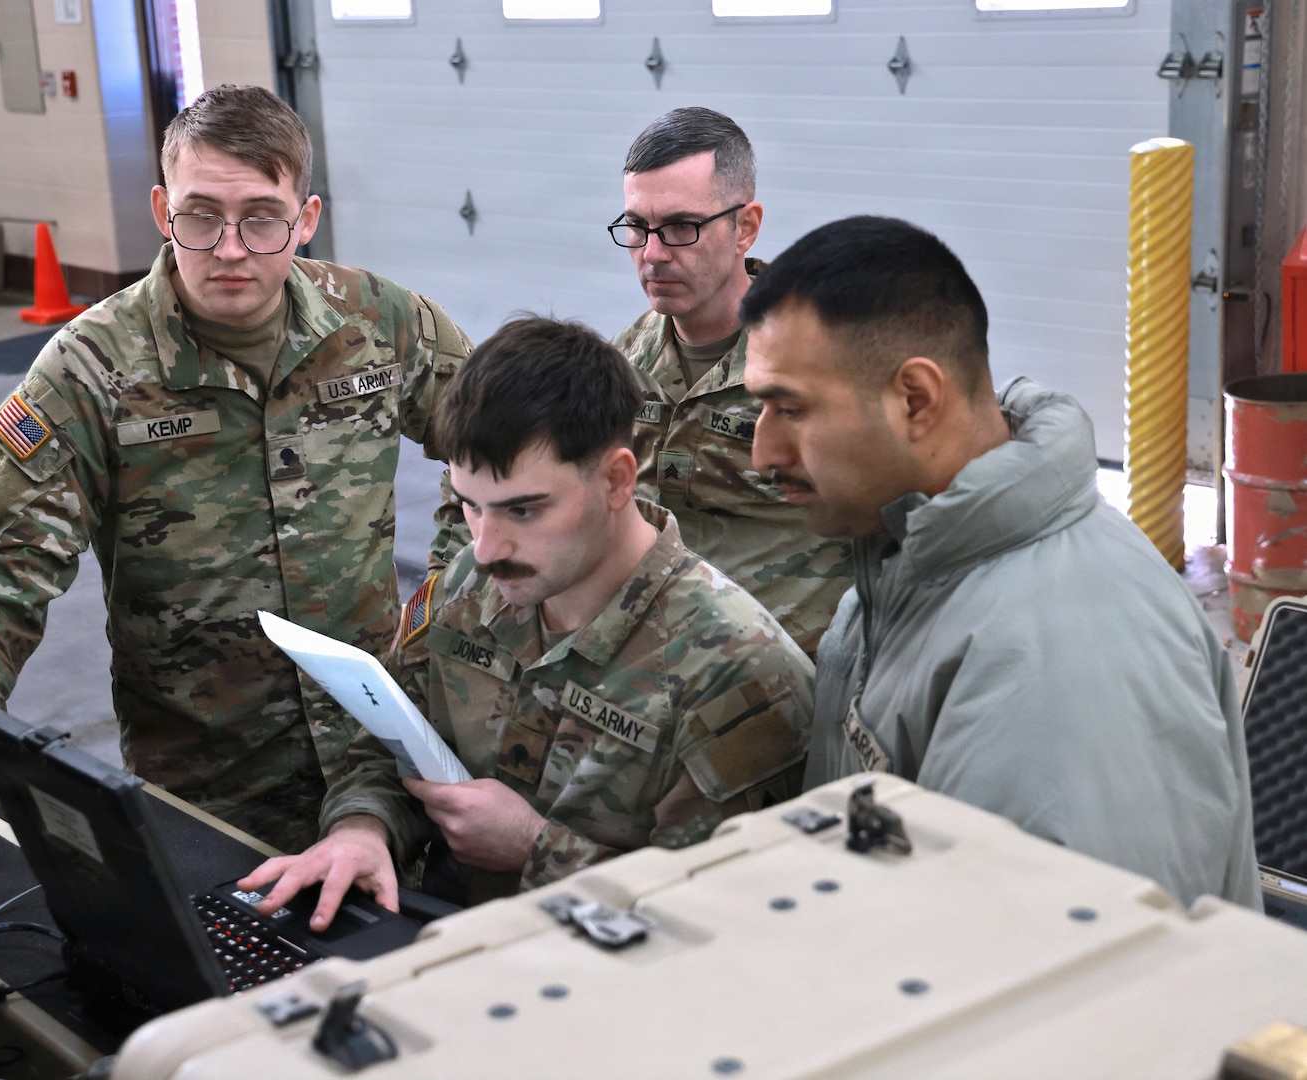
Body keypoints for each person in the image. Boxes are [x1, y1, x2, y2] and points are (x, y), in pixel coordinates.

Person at [0, 84, 471, 905]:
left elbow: (505, 456)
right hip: (208, 791)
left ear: (307, 217)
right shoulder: (90, 371)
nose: (232, 248)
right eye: (202, 216)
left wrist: (443, 606)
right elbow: (0, 585)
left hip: (382, 767)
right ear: (161, 208)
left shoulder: (385, 325)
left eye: (263, 218)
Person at [739, 214, 1261, 909]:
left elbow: (1070, 982)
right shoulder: (908, 558)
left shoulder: (1060, 657)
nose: (762, 453)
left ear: (916, 400)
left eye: (790, 410)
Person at [240, 316, 814, 928]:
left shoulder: (738, 672)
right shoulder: (468, 584)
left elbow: (741, 921)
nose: (486, 547)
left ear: (617, 479)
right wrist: (363, 830)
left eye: (523, 509)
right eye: (470, 505)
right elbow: (387, 747)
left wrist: (537, 849)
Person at [611, 107, 850, 657]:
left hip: (785, 691)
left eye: (680, 228)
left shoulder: (827, 364)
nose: (651, 254)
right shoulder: (622, 365)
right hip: (654, 679)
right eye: (637, 228)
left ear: (745, 227)